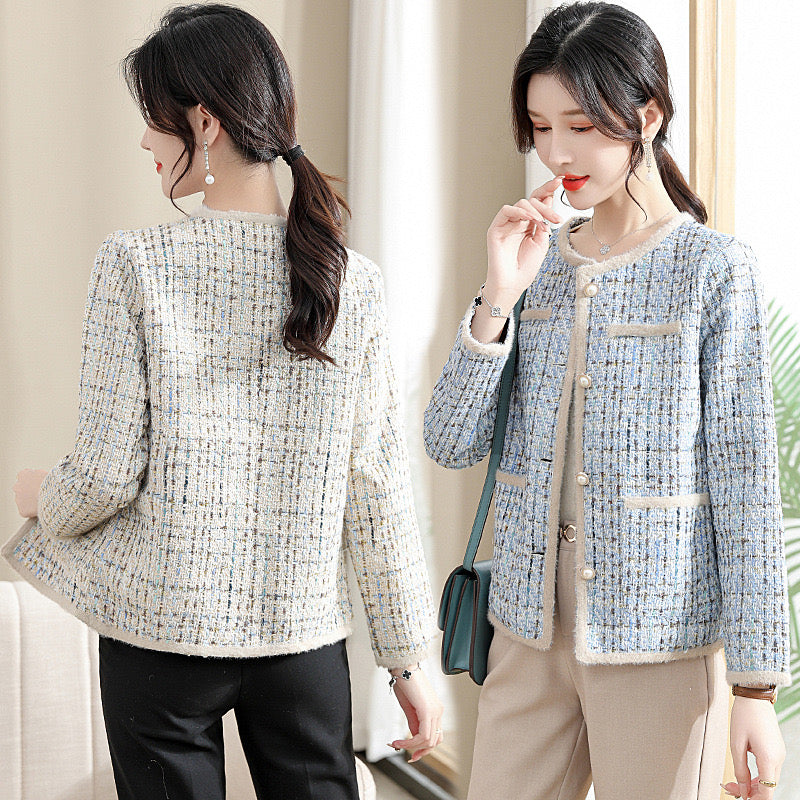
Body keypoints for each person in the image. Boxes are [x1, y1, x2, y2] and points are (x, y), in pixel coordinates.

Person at [5, 5, 442, 799]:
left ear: (203, 123)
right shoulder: (355, 283)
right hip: (304, 645)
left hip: (161, 641)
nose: (145, 140)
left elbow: (105, 475)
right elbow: (375, 486)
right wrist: (407, 659)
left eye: (154, 118)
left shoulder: (134, 265)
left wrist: (38, 494)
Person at [423, 3, 789, 799]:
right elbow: (450, 439)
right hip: (526, 633)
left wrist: (756, 687)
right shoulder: (533, 262)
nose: (557, 152)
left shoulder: (712, 270)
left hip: (658, 645)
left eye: (581, 126)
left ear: (646, 117)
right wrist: (497, 296)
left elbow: (747, 483)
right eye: (540, 127)